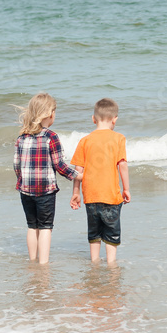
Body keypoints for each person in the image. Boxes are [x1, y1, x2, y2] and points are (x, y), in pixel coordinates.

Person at [13, 93, 81, 264]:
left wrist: (22, 181)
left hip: (25, 190)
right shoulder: (51, 136)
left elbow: (16, 165)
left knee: (31, 226)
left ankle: (32, 261)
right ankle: (43, 265)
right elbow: (59, 165)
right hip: (45, 191)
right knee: (45, 227)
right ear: (50, 114)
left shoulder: (22, 137)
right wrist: (77, 175)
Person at [70, 98, 130, 265]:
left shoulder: (85, 141)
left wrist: (76, 193)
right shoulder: (118, 138)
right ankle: (111, 265)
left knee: (94, 234)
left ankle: (94, 264)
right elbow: (122, 165)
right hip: (111, 196)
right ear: (115, 119)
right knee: (111, 235)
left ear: (93, 118)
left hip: (91, 196)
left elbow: (78, 171)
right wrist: (126, 189)